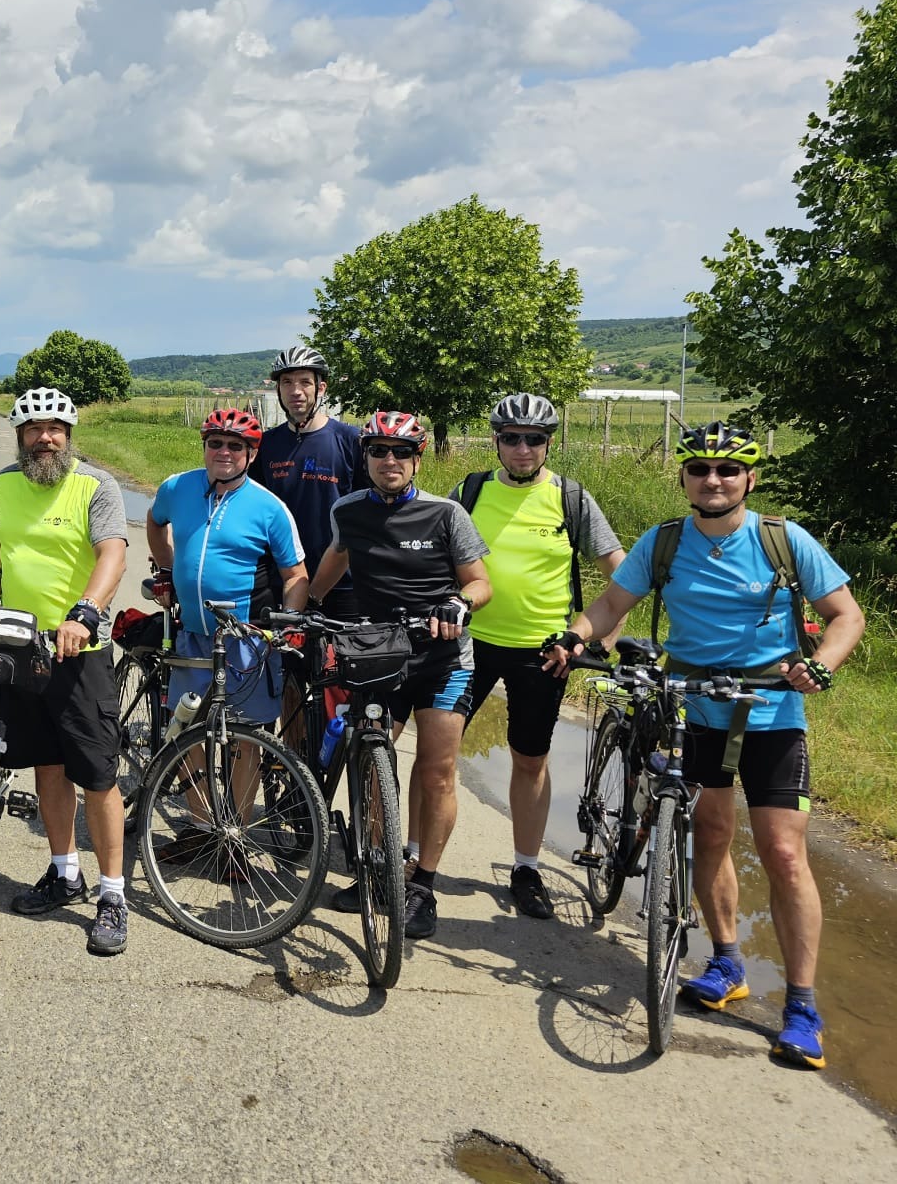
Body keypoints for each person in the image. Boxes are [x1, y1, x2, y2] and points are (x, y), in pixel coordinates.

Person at [542, 422, 863, 1070]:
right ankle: (726, 962)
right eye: (699, 469)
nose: (712, 479)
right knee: (710, 833)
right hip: (694, 706)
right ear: (685, 477)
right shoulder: (664, 543)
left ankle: (801, 1007)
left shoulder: (782, 539)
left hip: (771, 710)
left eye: (726, 470)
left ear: (748, 478)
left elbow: (846, 615)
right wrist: (574, 639)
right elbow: (610, 603)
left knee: (782, 851)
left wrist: (821, 664)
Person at [309, 410, 491, 941]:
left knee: (437, 771)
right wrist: (308, 609)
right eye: (380, 452)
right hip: (376, 656)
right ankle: (376, 867)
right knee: (368, 762)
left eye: (402, 452)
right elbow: (333, 561)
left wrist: (459, 602)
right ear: (365, 457)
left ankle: (421, 885)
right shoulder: (348, 509)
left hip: (441, 659)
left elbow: (481, 582)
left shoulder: (446, 513)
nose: (391, 461)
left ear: (418, 458)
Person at [453, 393, 623, 919]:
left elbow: (623, 573)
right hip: (470, 643)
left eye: (534, 438)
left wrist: (599, 634)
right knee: (438, 755)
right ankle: (411, 860)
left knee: (531, 759)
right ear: (496, 441)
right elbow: (435, 554)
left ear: (549, 443)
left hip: (543, 651)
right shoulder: (470, 491)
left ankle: (526, 868)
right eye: (511, 438)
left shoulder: (572, 498)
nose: (522, 447)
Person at [0, 388, 132, 956]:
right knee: (48, 768)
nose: (44, 437)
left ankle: (114, 896)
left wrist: (87, 611)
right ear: (20, 437)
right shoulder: (4, 482)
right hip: (26, 649)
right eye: (33, 429)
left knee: (97, 776)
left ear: (70, 435)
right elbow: (19, 540)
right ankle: (64, 871)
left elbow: (114, 553)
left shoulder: (96, 486)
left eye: (54, 428)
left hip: (81, 650)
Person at [146, 406, 309, 719]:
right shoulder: (177, 487)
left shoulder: (270, 507)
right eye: (215, 443)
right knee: (186, 727)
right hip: (192, 635)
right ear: (204, 446)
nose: (224, 452)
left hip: (246, 640)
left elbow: (295, 575)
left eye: (235, 446)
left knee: (244, 734)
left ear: (252, 453)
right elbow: (155, 520)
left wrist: (288, 622)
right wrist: (166, 571)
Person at [257, 346, 365, 617]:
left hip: (343, 584)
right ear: (278, 389)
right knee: (287, 659)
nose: (296, 391)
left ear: (321, 387)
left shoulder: (351, 440)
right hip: (283, 581)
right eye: (287, 382)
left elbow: (367, 512)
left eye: (305, 382)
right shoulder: (266, 444)